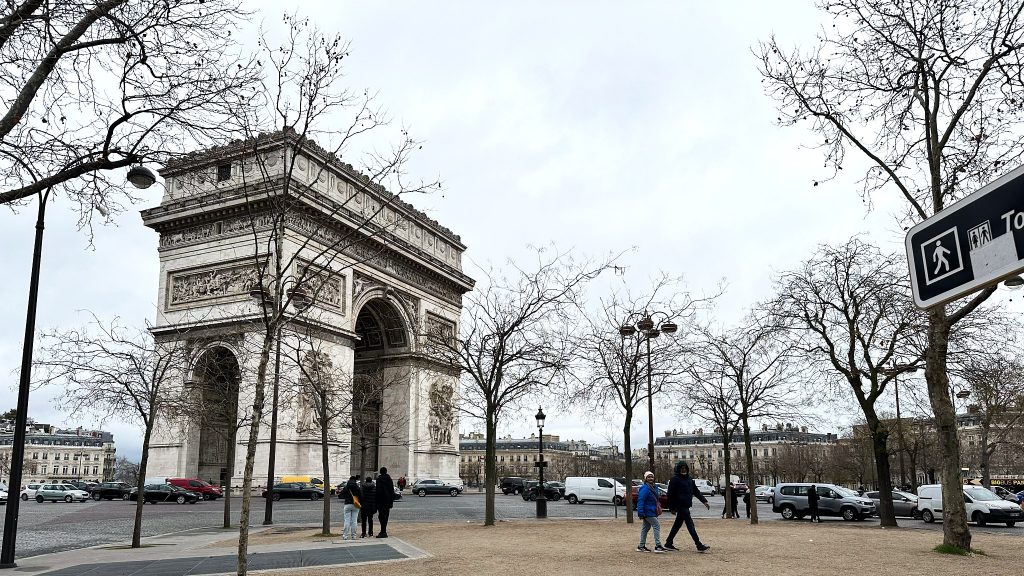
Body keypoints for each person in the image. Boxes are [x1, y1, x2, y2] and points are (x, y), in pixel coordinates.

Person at [664, 461, 711, 553]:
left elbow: (696, 492)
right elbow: (670, 495)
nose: (683, 470)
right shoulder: (675, 479)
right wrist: (672, 508)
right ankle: (698, 544)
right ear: (678, 470)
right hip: (680, 506)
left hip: (686, 505)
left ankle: (668, 543)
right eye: (682, 469)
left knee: (677, 525)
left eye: (685, 469)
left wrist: (704, 501)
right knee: (690, 525)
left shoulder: (690, 479)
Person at [636, 471, 666, 553]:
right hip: (648, 511)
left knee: (645, 528)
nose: (650, 478)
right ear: (645, 479)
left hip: (650, 511)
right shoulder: (645, 488)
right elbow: (641, 501)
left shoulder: (653, 487)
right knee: (656, 525)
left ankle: (641, 546)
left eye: (651, 477)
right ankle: (658, 545)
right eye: (648, 477)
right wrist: (641, 513)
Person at [375, 466, 396, 538]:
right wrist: (391, 501)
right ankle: (384, 531)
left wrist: (376, 502)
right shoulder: (389, 479)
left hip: (381, 501)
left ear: (380, 472)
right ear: (386, 472)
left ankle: (383, 531)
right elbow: (392, 491)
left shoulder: (378, 479)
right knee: (386, 516)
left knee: (381, 516)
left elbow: (378, 491)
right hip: (388, 501)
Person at [340, 475, 362, 540]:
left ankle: (345, 536)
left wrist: (347, 497)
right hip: (355, 504)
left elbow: (341, 494)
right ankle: (354, 536)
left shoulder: (346, 487)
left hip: (347, 504)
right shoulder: (357, 487)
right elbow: (361, 496)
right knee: (354, 520)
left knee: (347, 520)